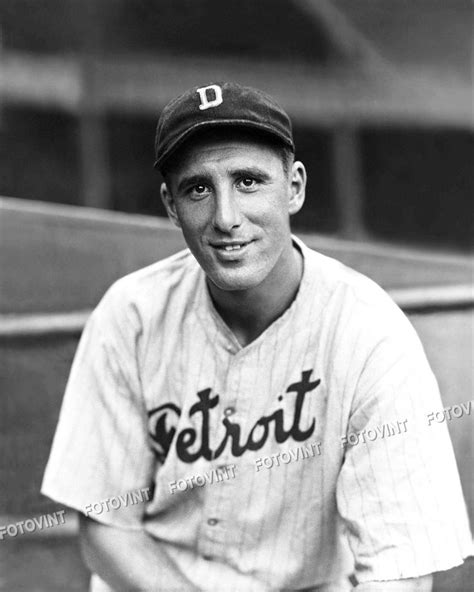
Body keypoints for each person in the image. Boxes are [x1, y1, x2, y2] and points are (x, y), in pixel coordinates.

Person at [42, 82, 473, 592]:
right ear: (170, 205)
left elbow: (399, 572)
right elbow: (107, 529)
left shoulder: (370, 335)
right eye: (198, 189)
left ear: (294, 186)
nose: (226, 217)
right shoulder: (132, 313)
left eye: (248, 181)